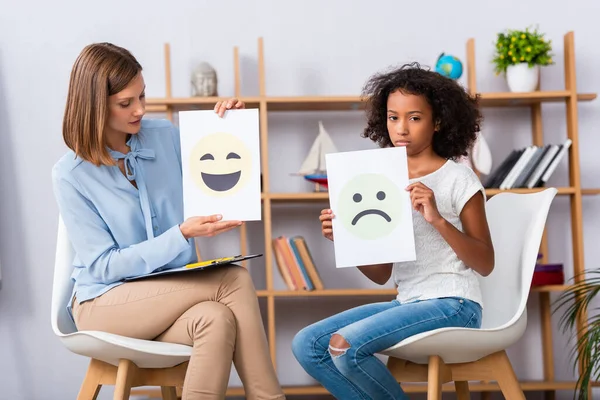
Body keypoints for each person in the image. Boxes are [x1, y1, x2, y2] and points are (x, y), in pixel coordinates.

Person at [52, 42, 285, 400]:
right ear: (95, 106)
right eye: (126, 103)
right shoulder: (70, 175)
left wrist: (233, 133)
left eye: (142, 96)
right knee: (233, 280)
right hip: (104, 304)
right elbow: (102, 265)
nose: (140, 110)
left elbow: (237, 189)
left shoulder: (165, 137)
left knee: (215, 319)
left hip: (172, 295)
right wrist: (180, 235)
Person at [291, 62, 495, 400]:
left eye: (414, 118)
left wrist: (438, 219)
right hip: (407, 301)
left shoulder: (458, 178)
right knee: (308, 345)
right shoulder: (382, 178)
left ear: (438, 122)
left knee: (345, 346)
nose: (401, 128)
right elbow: (381, 274)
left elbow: (485, 262)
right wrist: (348, 238)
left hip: (455, 303)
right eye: (393, 117)